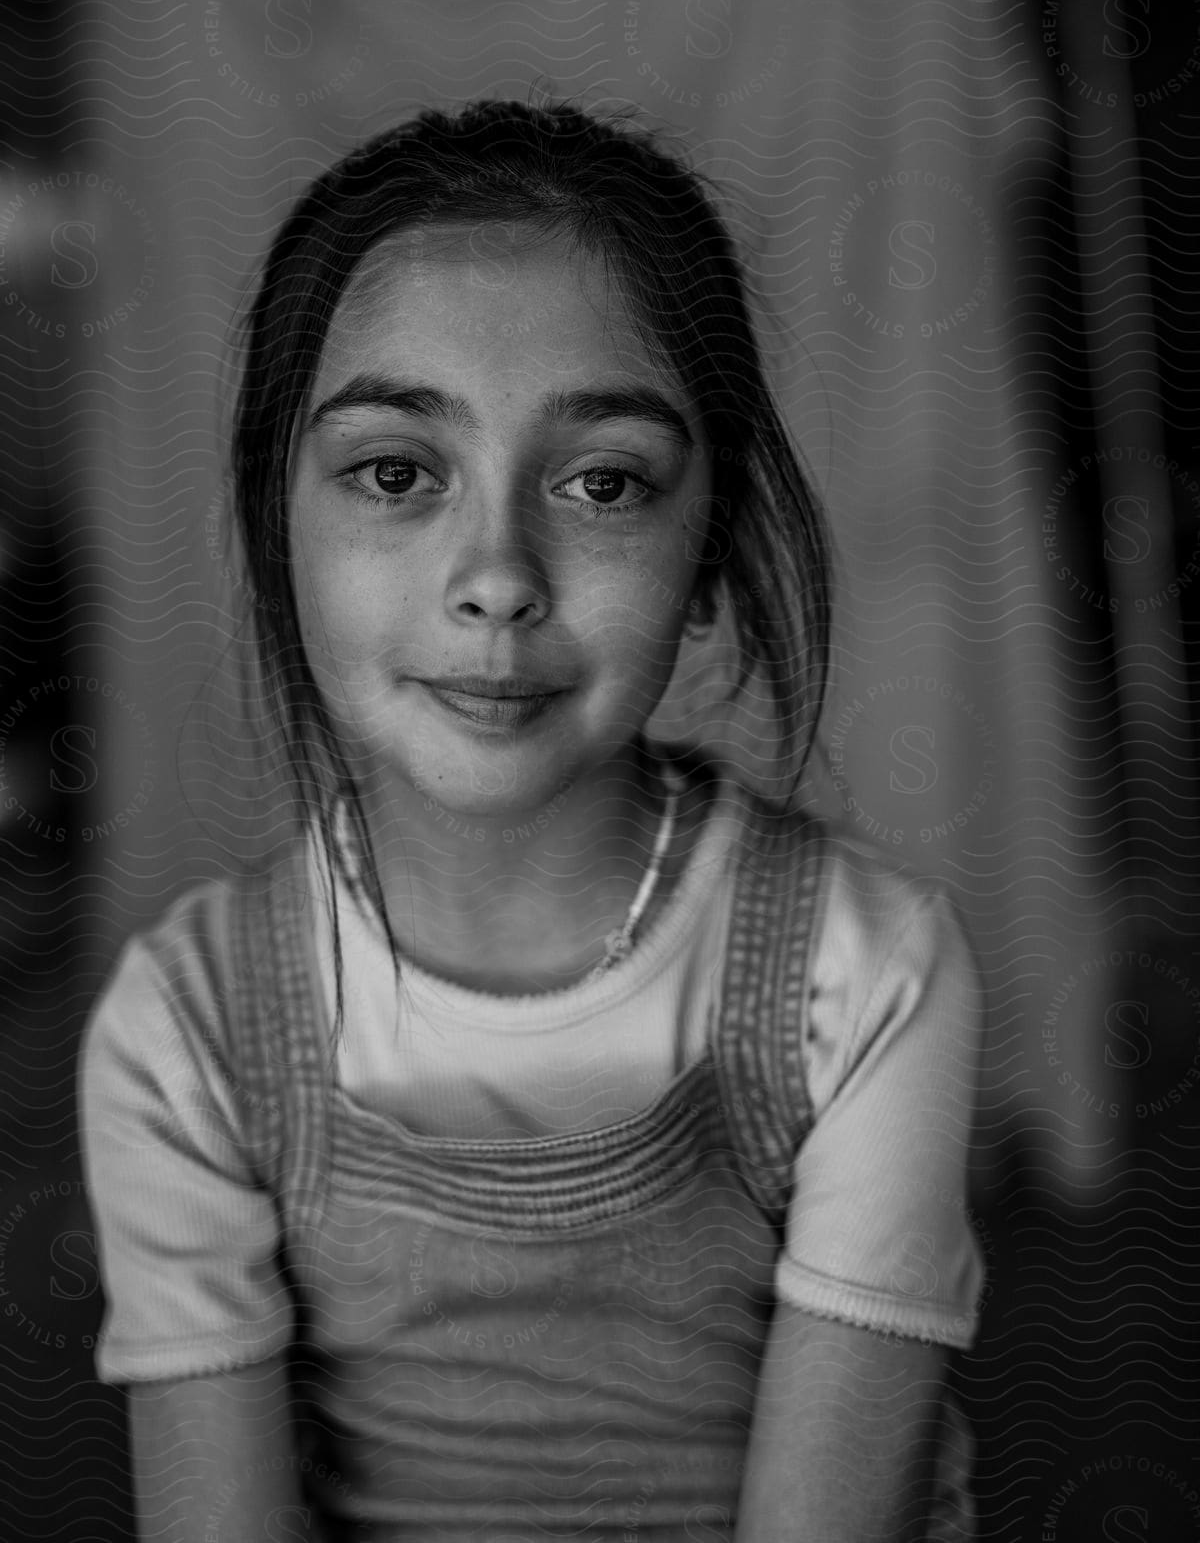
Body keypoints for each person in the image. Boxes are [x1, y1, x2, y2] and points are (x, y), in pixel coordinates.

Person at [79, 97, 986, 1542]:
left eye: (604, 482)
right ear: (278, 531)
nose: (496, 573)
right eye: (395, 473)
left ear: (712, 558)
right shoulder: (186, 1026)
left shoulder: (863, 977)